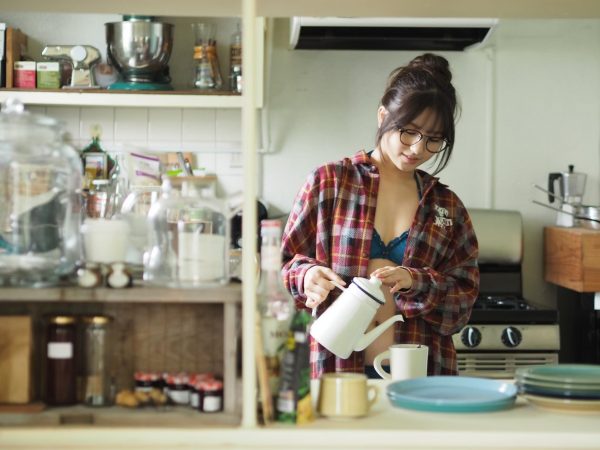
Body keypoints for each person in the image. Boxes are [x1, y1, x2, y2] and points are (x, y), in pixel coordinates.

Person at [281, 53, 479, 378]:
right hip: (336, 372)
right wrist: (306, 277)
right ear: (382, 115)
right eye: (408, 131)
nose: (417, 148)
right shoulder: (330, 182)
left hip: (421, 378)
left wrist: (417, 281)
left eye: (433, 140)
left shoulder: (446, 206)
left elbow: (462, 305)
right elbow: (283, 265)